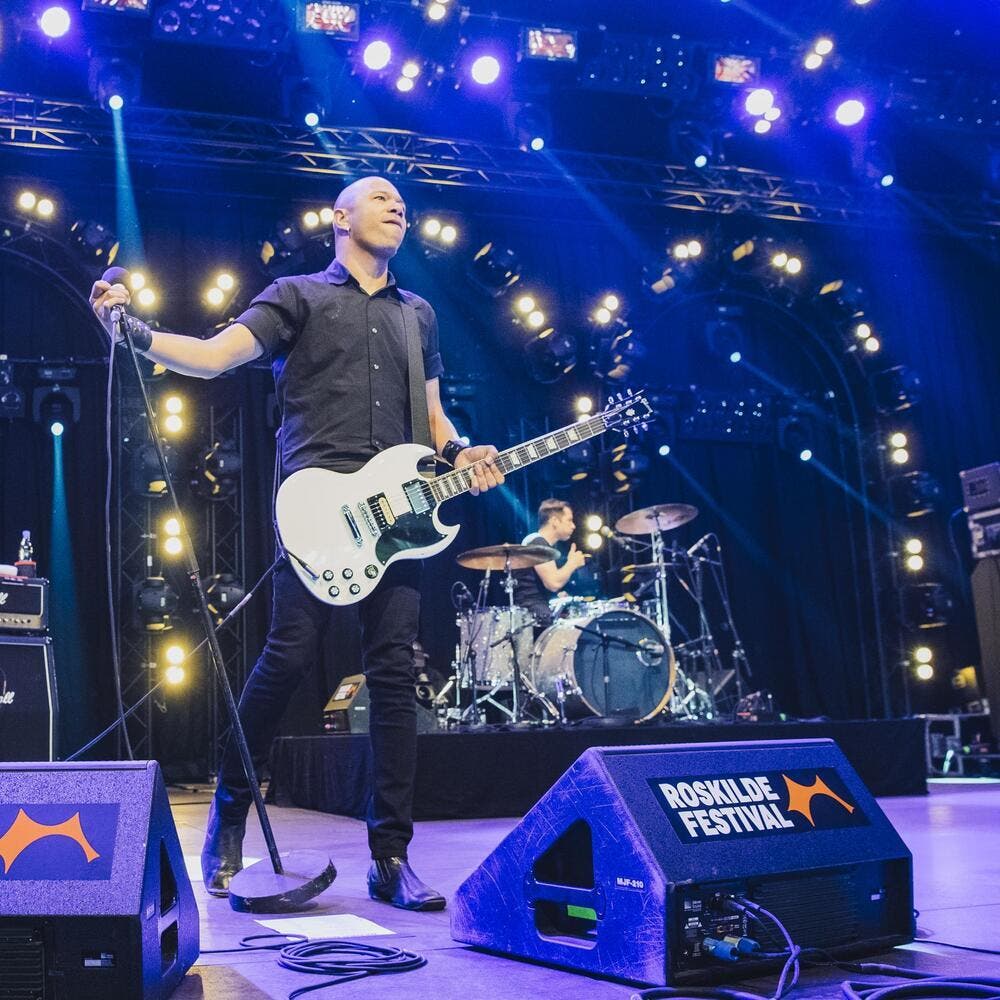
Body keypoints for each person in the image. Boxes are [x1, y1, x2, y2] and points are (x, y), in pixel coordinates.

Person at [91, 175, 505, 911]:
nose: (398, 207)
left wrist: (460, 452)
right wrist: (139, 334)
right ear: (340, 216)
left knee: (395, 676)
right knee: (286, 658)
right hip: (318, 509)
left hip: (400, 519)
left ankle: (391, 856)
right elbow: (216, 356)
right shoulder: (298, 295)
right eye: (381, 198)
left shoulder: (418, 313)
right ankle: (230, 809)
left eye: (402, 203)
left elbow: (434, 416)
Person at [512, 498, 586, 630]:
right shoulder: (536, 542)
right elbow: (553, 583)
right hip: (533, 616)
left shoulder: (541, 543)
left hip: (536, 612)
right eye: (569, 520)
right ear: (555, 521)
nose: (573, 526)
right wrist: (572, 563)